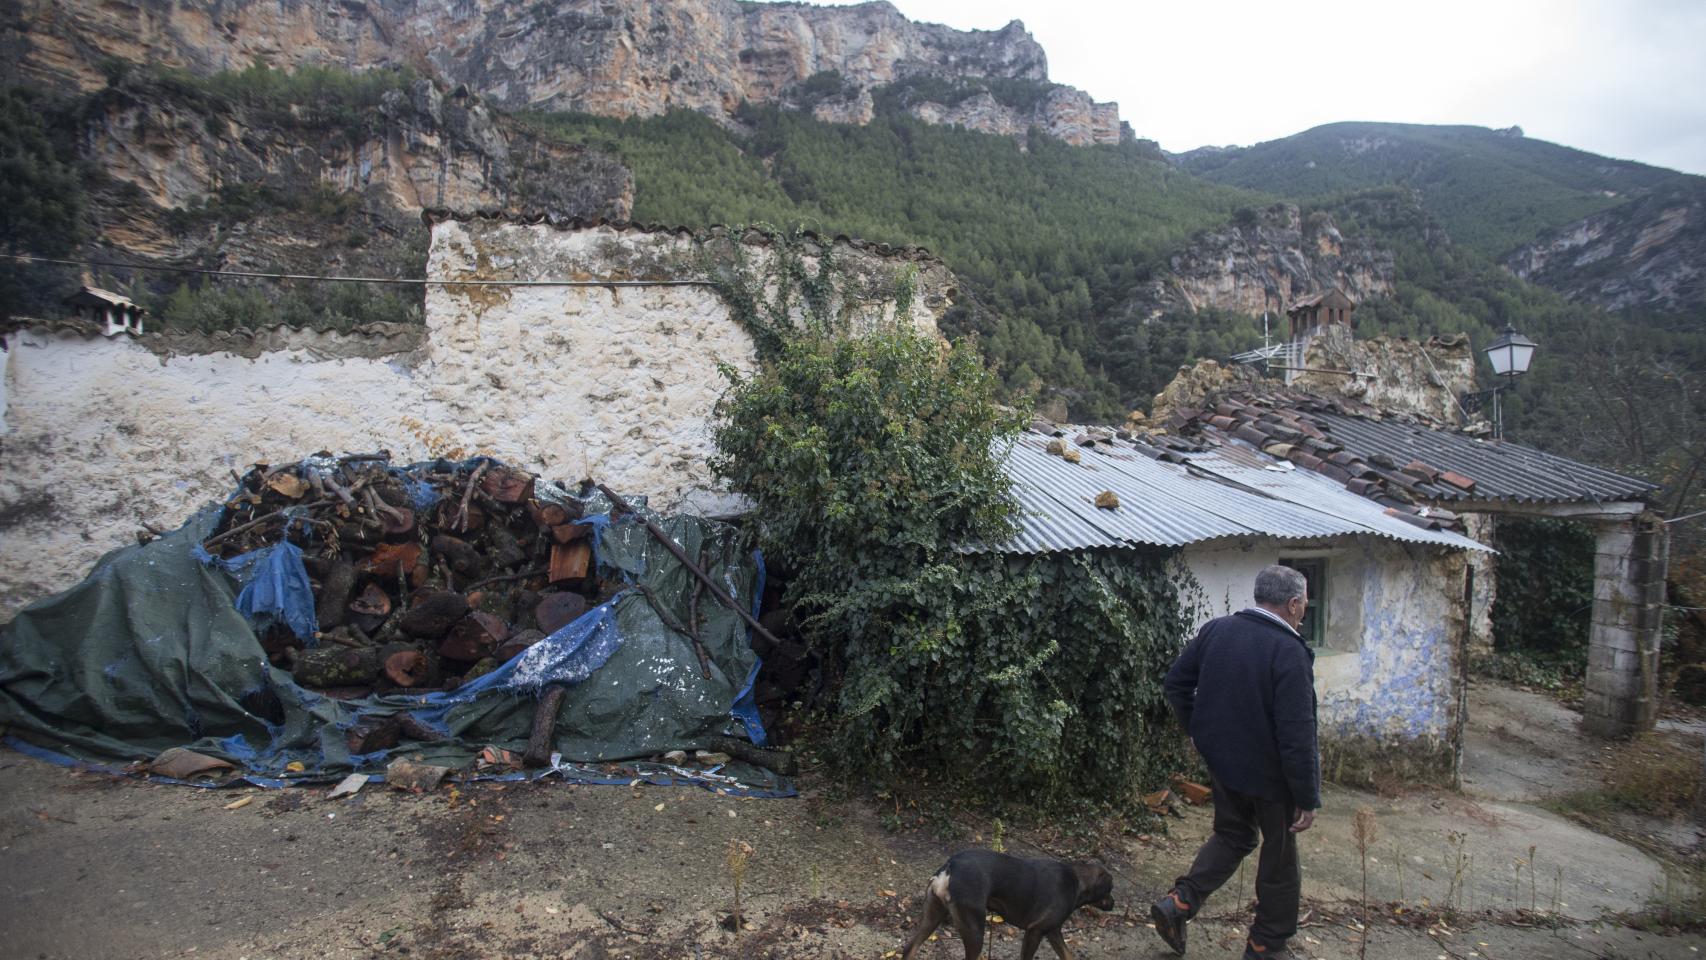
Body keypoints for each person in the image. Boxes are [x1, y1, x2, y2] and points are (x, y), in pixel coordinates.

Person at [1150, 564, 1321, 959]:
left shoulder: (1218, 630)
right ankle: (1266, 943)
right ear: (1294, 604)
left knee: (1234, 834)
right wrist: (1306, 796)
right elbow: (1297, 733)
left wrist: (1198, 731)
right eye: (1305, 600)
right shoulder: (1289, 651)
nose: (1305, 606)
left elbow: (1176, 682)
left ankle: (1178, 903)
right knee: (1279, 861)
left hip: (1225, 765)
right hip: (1272, 778)